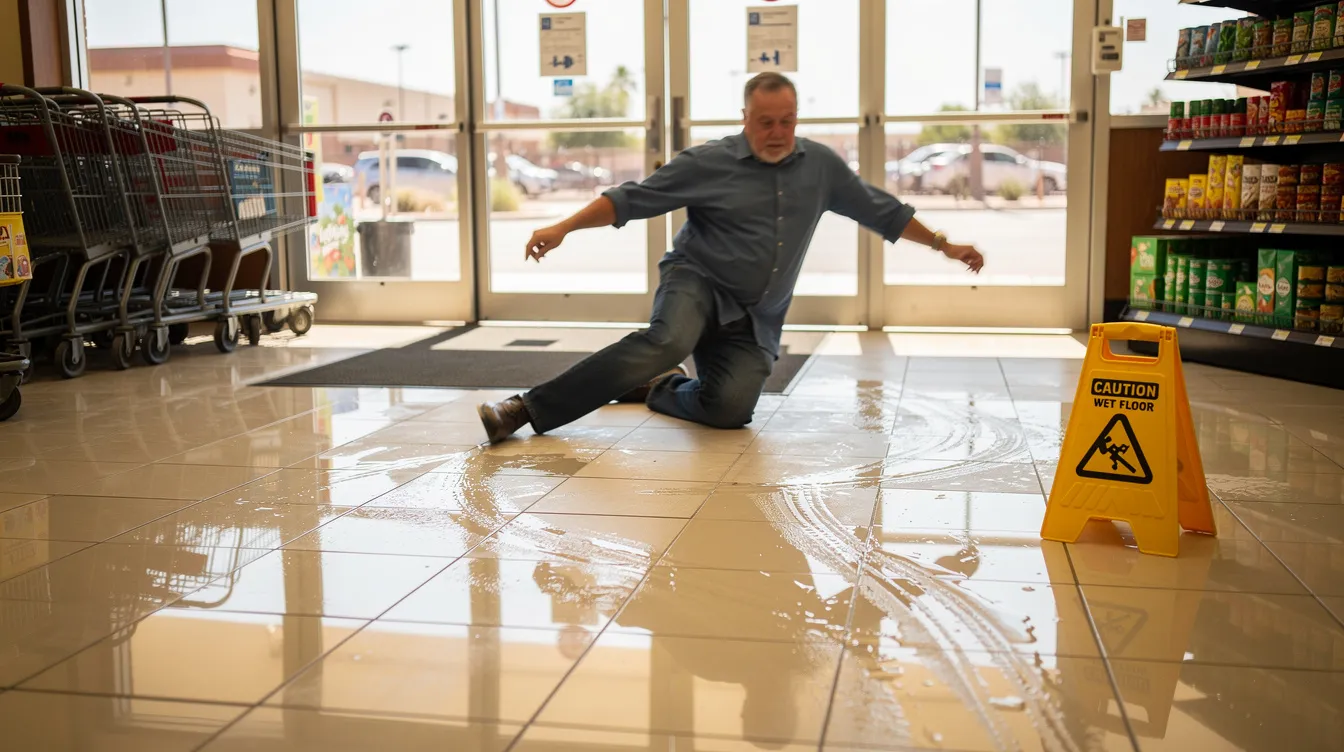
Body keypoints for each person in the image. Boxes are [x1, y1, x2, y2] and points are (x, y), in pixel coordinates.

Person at [478, 72, 983, 443]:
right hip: (696, 282)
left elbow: (884, 212)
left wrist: (945, 244)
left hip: (754, 314)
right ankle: (523, 409)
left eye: (787, 121)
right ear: (745, 118)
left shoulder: (821, 168)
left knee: (730, 412)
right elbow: (632, 198)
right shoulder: (710, 162)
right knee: (667, 337)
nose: (778, 132)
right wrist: (564, 226)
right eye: (766, 122)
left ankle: (660, 386)